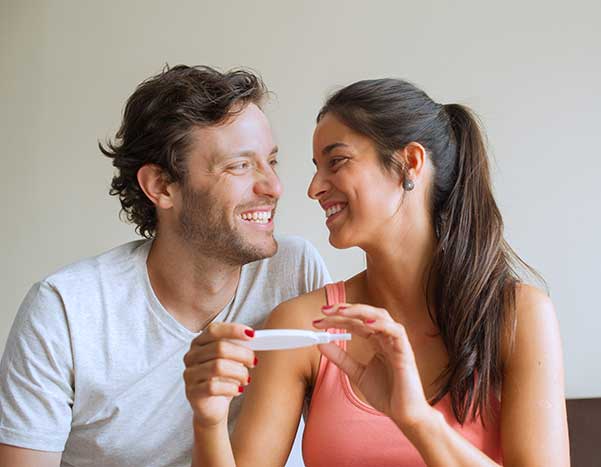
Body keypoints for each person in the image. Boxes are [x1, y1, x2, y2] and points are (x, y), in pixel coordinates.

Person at [184, 78, 571, 466]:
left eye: (337, 161)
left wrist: (415, 418)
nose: (314, 188)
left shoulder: (517, 316)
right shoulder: (305, 324)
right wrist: (209, 420)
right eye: (317, 168)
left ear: (410, 163)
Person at [0, 65, 330, 467]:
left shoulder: (292, 272)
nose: (273, 187)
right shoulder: (66, 311)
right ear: (161, 186)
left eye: (271, 161)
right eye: (239, 166)